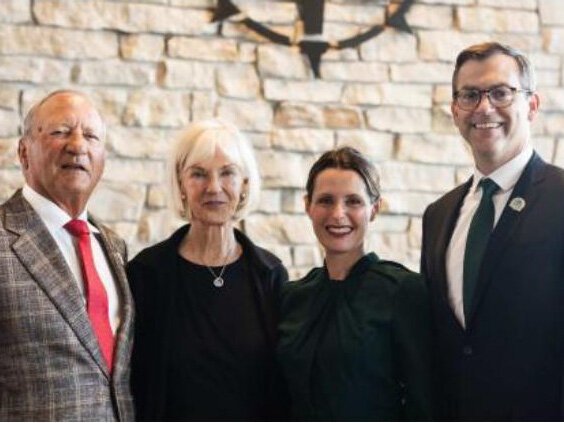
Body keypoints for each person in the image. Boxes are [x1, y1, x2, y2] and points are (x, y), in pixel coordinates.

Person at [421, 42, 564, 420]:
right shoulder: (437, 216)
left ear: (531, 106)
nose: (484, 107)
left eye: (501, 92)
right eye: (470, 95)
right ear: (455, 111)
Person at [128, 118, 289, 421]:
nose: (213, 187)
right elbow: (132, 380)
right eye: (198, 174)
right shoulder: (146, 274)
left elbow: (282, 384)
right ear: (181, 184)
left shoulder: (270, 275)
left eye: (227, 173)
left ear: (244, 185)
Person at [0, 90, 134, 420]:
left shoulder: (115, 247)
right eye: (60, 131)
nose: (77, 145)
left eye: (91, 136)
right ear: (24, 151)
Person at [277, 147, 435, 420]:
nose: (338, 214)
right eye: (326, 200)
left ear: (373, 209)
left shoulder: (403, 291)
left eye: (353, 201)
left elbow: (426, 402)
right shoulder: (292, 297)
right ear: (308, 207)